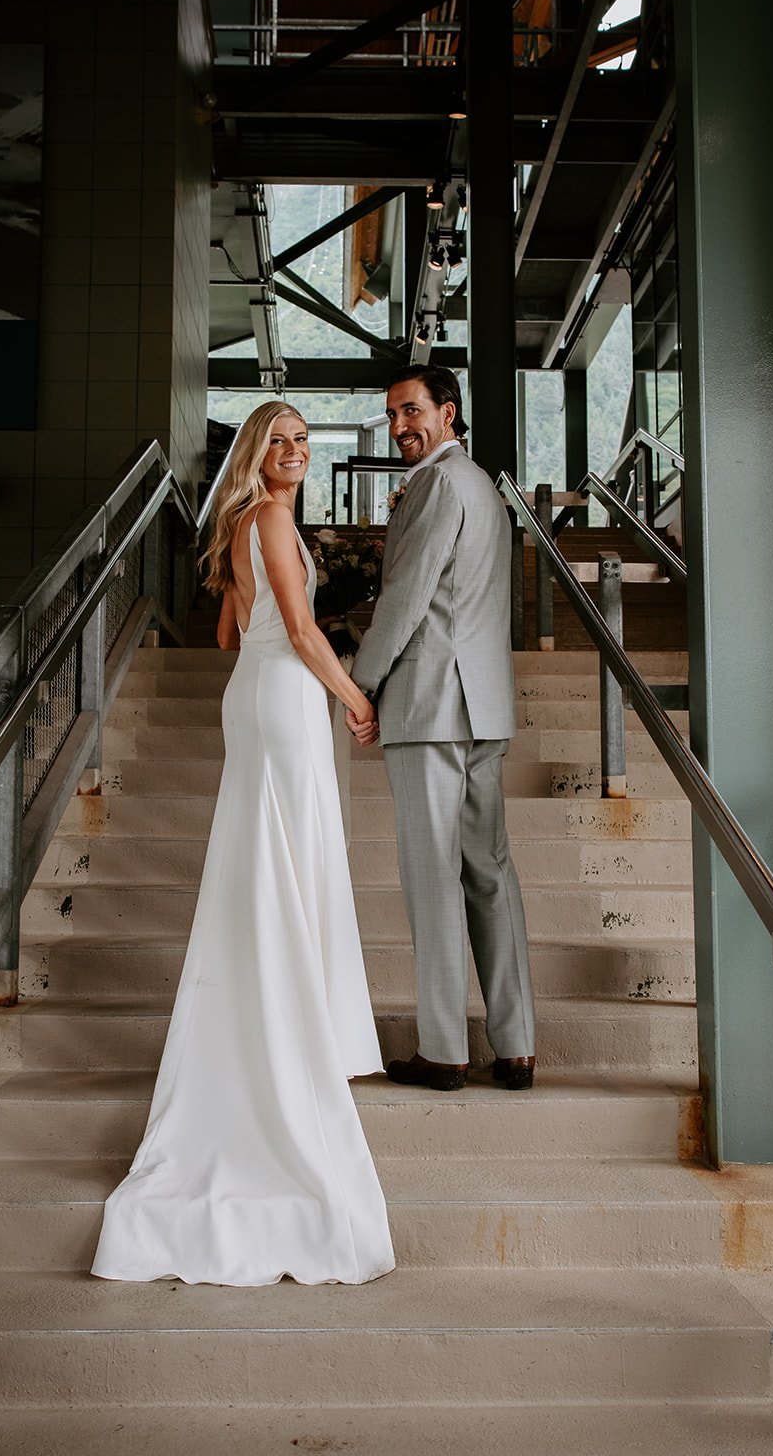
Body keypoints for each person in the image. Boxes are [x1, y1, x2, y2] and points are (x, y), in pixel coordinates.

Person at [91, 401, 395, 1286]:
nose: (297, 452)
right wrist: (353, 696)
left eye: (304, 441)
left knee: (268, 860)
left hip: (253, 692)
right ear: (258, 455)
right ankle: (293, 1029)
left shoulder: (245, 525)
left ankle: (276, 1011)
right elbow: (299, 634)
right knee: (290, 857)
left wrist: (256, 598)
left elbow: (232, 634)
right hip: (288, 697)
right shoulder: (268, 517)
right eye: (282, 441)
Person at [347, 364, 536, 1093]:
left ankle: (445, 1050)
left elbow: (406, 597)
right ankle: (516, 1047)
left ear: (448, 411)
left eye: (413, 411)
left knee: (434, 879)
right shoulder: (484, 487)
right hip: (482, 705)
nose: (401, 427)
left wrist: (360, 684)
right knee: (490, 875)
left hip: (430, 706)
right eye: (393, 415)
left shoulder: (434, 485)